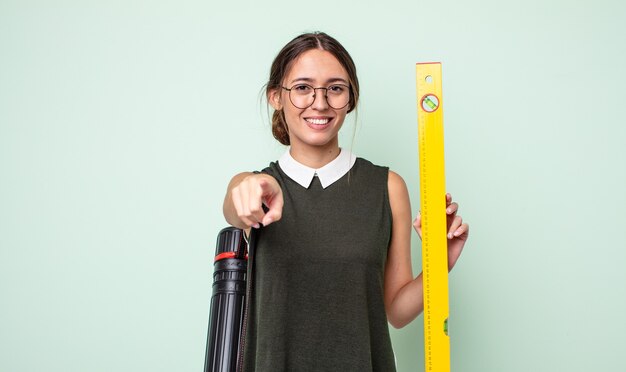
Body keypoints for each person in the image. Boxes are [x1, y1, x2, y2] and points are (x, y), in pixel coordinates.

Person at [222, 32, 469, 372]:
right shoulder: (258, 190)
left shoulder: (387, 187)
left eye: (335, 88)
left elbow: (396, 312)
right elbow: (236, 204)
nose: (320, 103)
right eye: (303, 88)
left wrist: (440, 264)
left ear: (350, 99)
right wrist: (250, 185)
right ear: (276, 97)